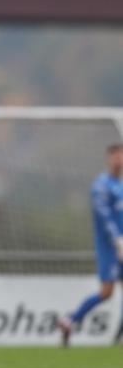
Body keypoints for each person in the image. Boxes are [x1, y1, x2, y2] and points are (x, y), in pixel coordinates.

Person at [58, 144, 123, 346]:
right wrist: (118, 241)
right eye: (116, 156)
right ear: (108, 159)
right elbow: (104, 216)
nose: (119, 160)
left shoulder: (120, 185)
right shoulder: (101, 185)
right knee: (106, 292)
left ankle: (118, 336)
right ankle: (70, 319)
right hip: (110, 248)